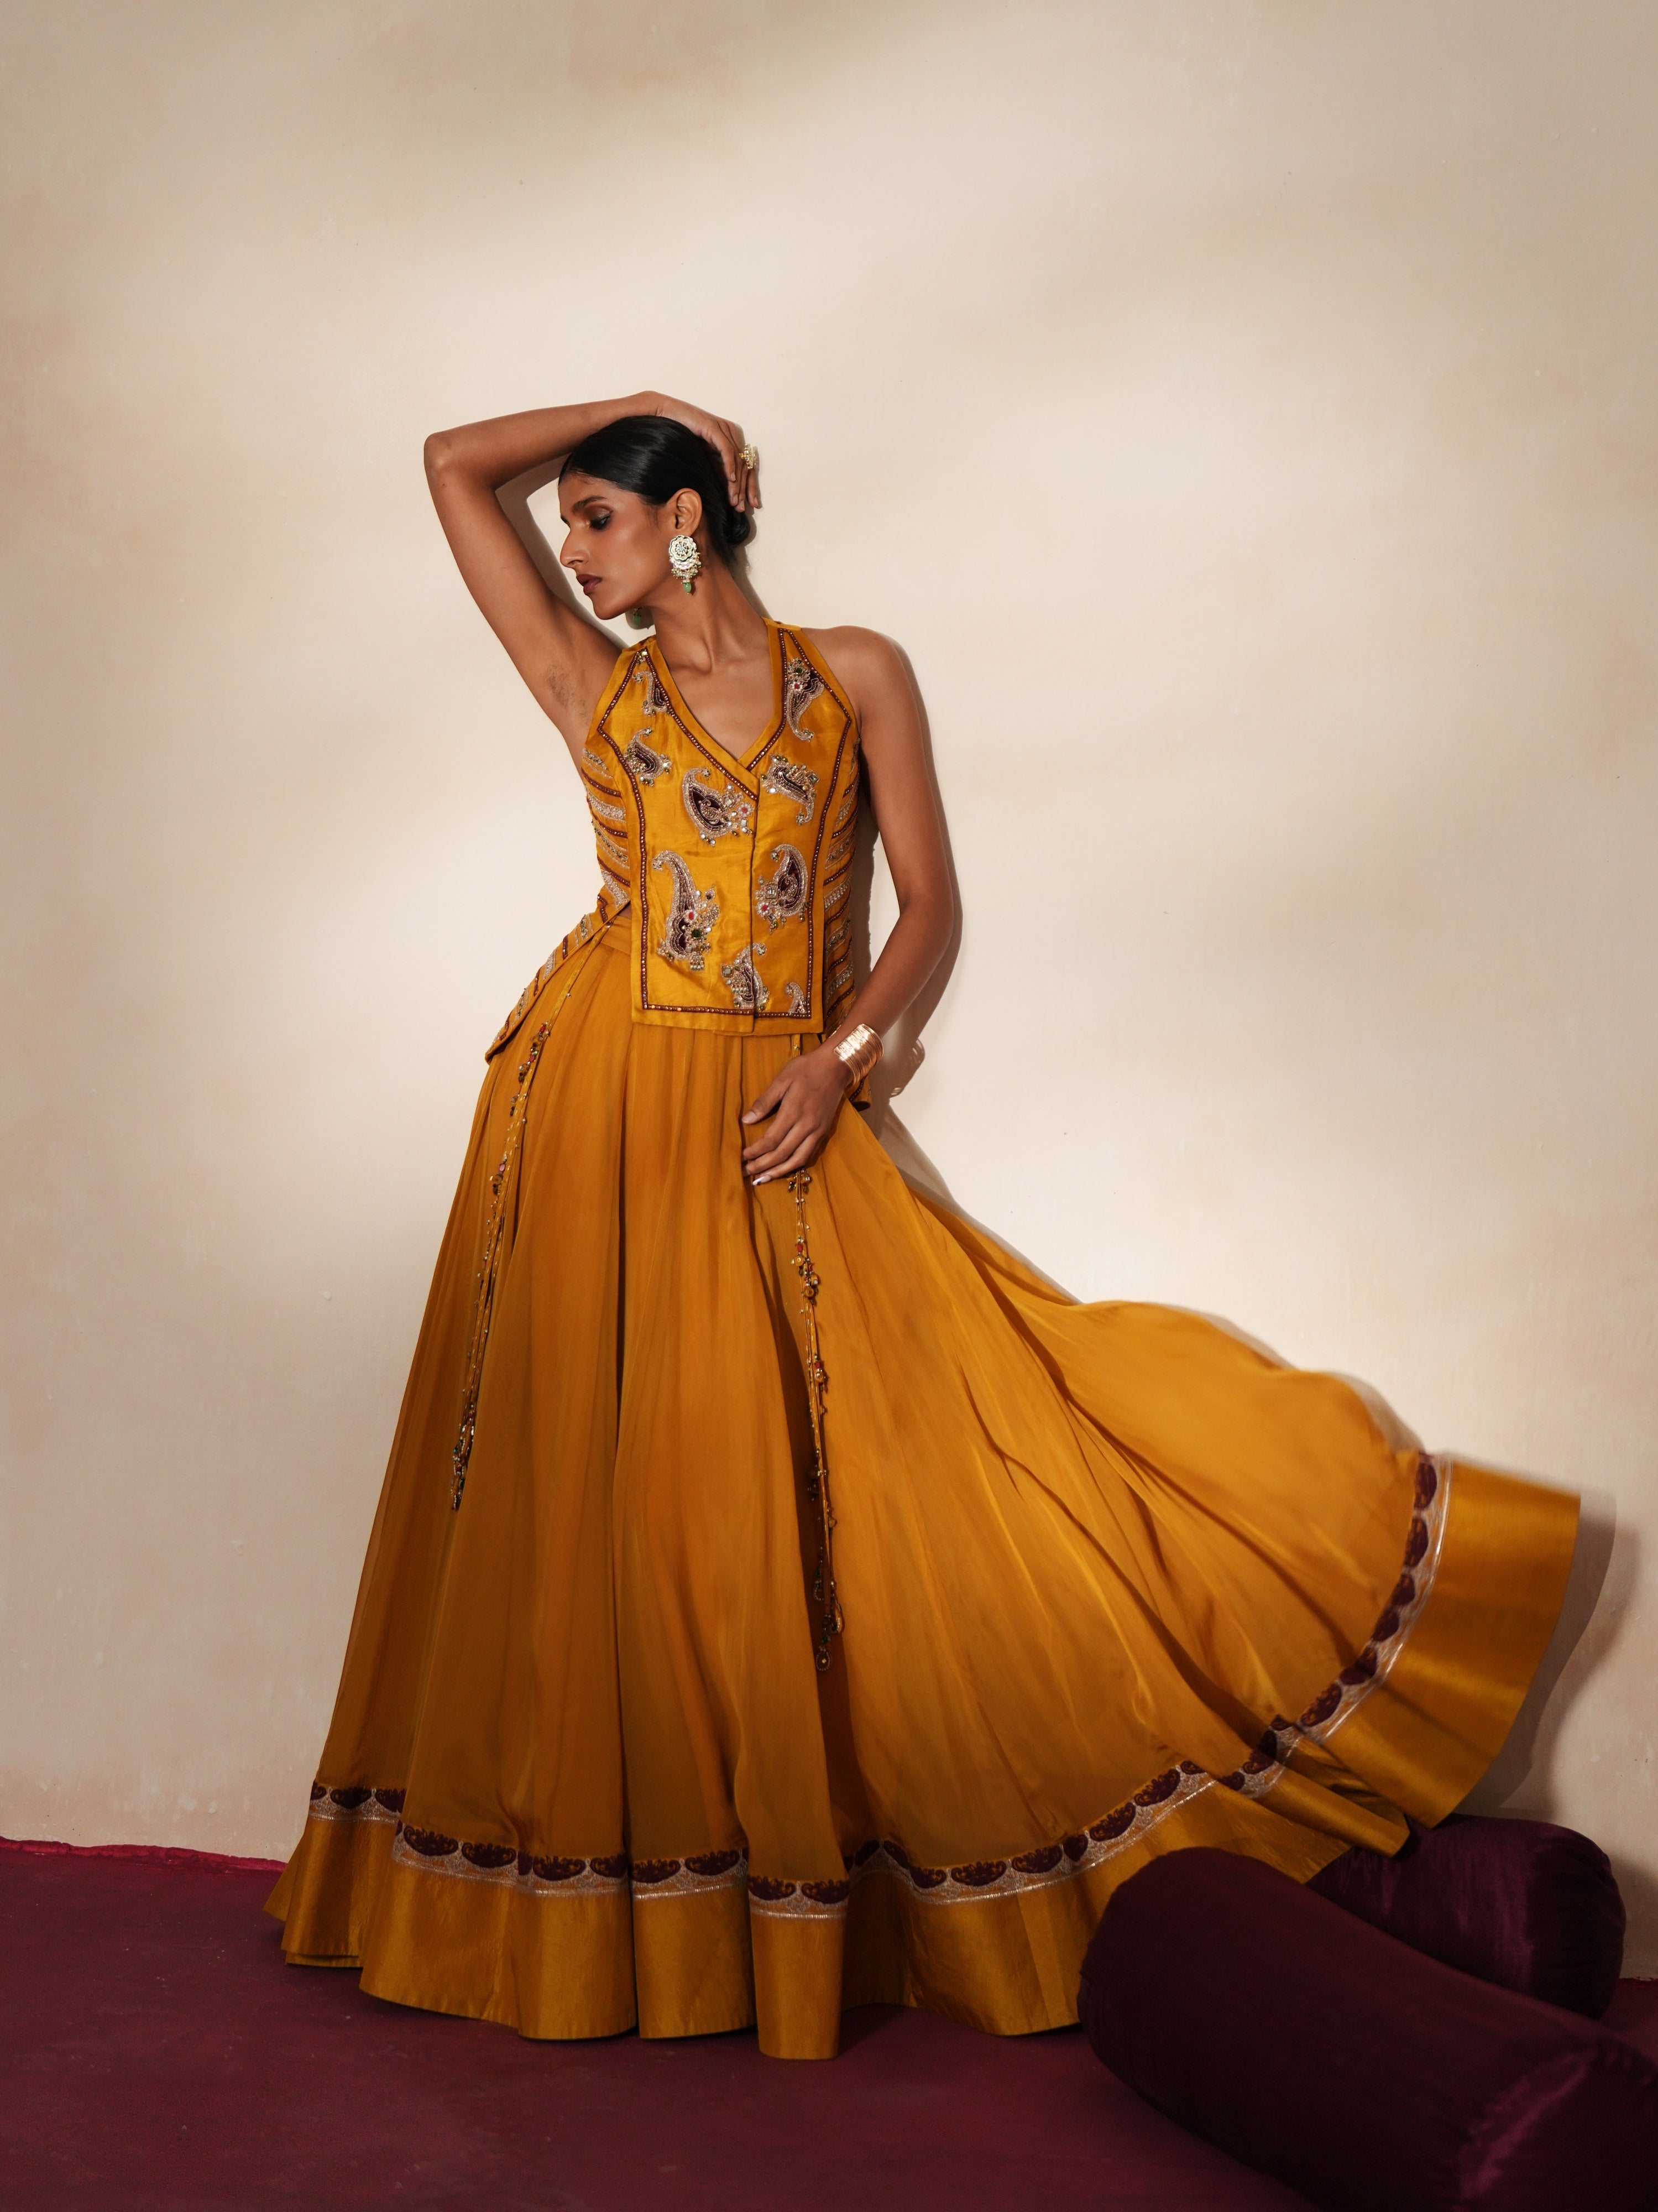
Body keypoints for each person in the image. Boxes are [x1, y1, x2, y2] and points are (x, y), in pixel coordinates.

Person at [266, 391, 1578, 2060]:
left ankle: (864, 1872)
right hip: (600, 1112)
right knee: (607, 1498)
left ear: (686, 525)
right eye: (573, 523)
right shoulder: (595, 687)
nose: (571, 551)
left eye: (596, 515)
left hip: (777, 1103)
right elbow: (454, 462)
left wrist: (842, 1059)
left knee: (932, 1452)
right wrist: (647, 411)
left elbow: (931, 909)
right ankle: (615, 1924)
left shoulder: (853, 675)